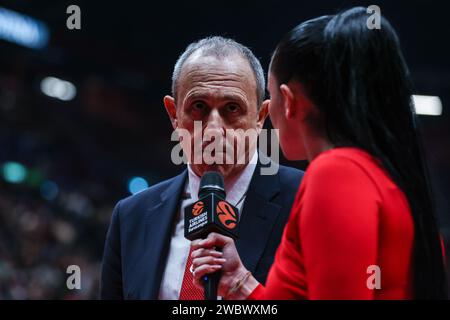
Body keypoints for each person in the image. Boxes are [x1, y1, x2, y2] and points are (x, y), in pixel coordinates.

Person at [191, 8, 448, 299]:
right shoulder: (388, 177)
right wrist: (240, 282)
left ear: (288, 102)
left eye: (271, 97)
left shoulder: (336, 173)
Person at [100, 36, 304, 299]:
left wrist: (243, 286)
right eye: (199, 107)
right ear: (174, 114)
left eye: (232, 108)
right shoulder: (131, 217)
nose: (214, 130)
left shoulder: (306, 199)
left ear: (260, 117)